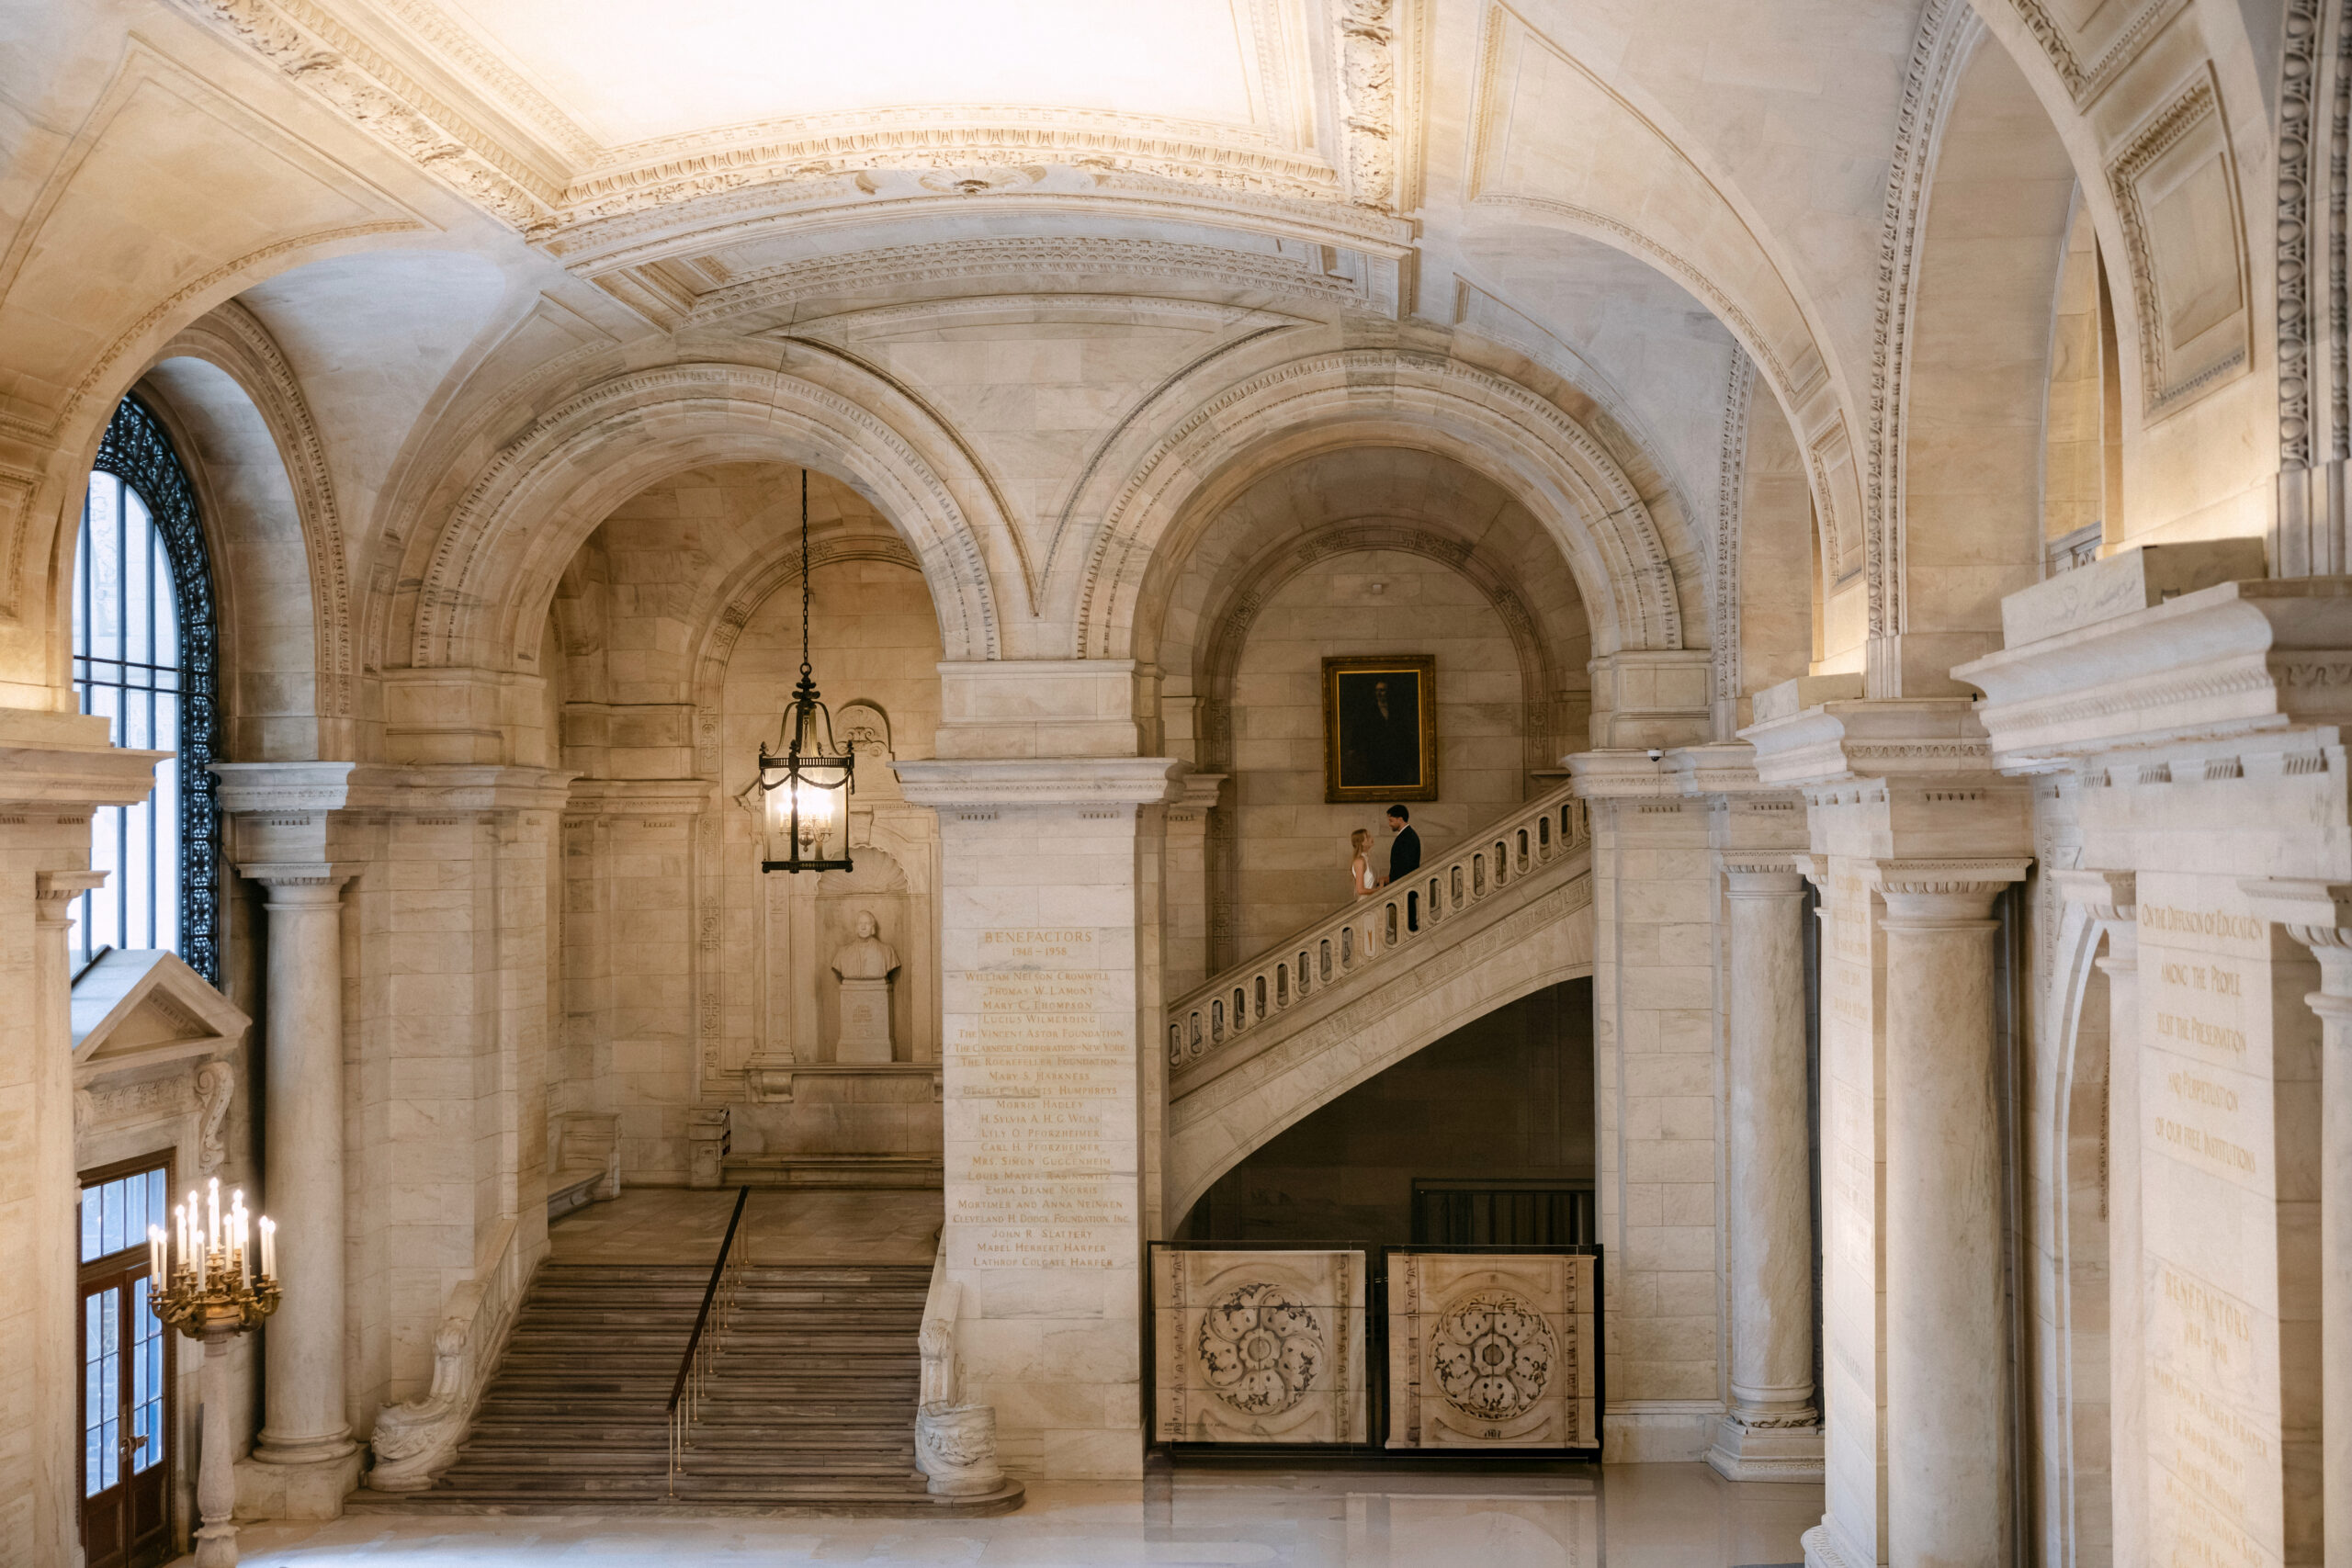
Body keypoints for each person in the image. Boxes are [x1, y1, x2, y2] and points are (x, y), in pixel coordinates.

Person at [1386, 806, 1422, 929]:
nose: (1389, 824)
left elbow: (1405, 868)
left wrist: (1393, 882)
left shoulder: (1407, 837)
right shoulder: (1406, 835)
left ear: (1400, 819)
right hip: (1403, 888)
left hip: (1404, 888)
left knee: (1407, 925)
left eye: (1391, 821)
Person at [1350, 827, 1379, 897]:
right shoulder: (1359, 861)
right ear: (1362, 842)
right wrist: (1379, 890)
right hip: (1366, 903)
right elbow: (1360, 890)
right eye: (1368, 837)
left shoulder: (1365, 859)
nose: (1372, 838)